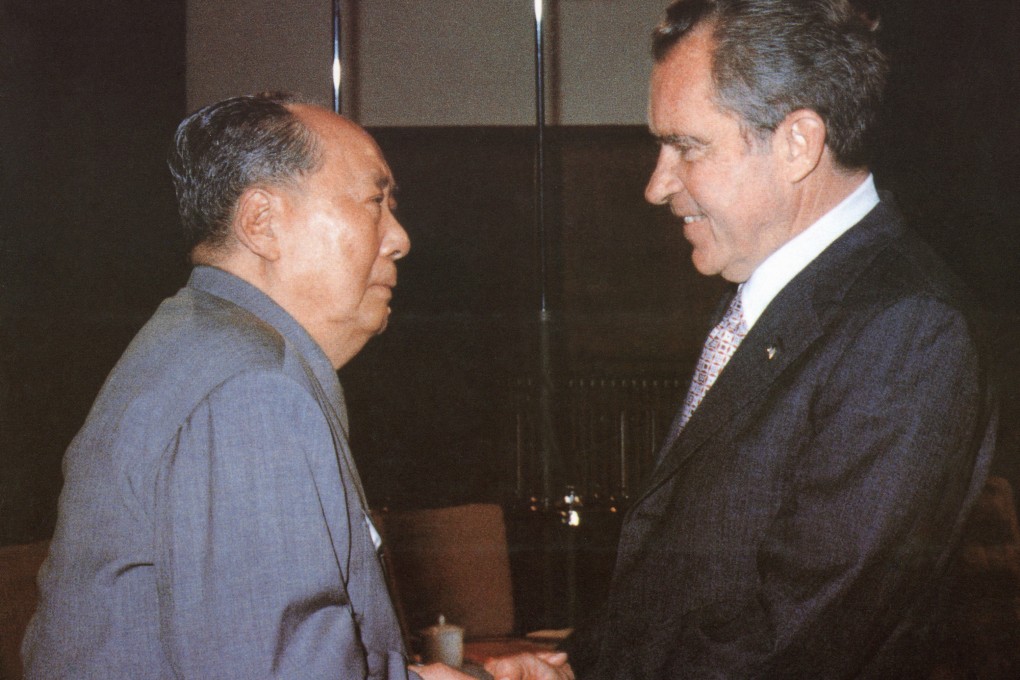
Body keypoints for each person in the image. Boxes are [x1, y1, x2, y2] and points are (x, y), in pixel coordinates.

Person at [488, 0, 998, 678]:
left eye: (688, 147)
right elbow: (686, 596)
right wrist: (573, 666)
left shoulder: (906, 329)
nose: (656, 185)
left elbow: (795, 638)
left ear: (797, 143)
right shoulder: (775, 297)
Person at [22, 93, 472, 679]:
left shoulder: (207, 343)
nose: (399, 237)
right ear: (262, 222)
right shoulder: (251, 390)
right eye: (374, 202)